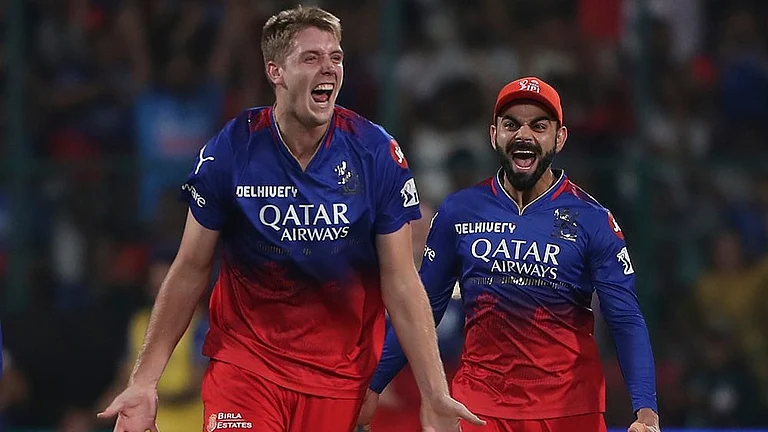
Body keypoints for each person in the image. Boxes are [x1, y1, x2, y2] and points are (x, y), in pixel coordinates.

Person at [98, 5, 483, 432]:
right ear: (275, 72)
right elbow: (190, 267)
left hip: (337, 379)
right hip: (246, 369)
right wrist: (144, 382)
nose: (329, 69)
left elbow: (401, 280)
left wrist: (434, 393)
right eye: (311, 58)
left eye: (336, 57)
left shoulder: (376, 152)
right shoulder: (232, 149)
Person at [359, 77, 661, 432]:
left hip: (569, 412)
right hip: (480, 410)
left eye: (539, 126)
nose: (524, 135)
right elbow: (422, 306)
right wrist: (373, 385)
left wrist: (647, 413)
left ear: (559, 138)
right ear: (494, 135)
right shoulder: (459, 211)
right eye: (511, 124)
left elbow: (625, 318)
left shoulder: (593, 220)